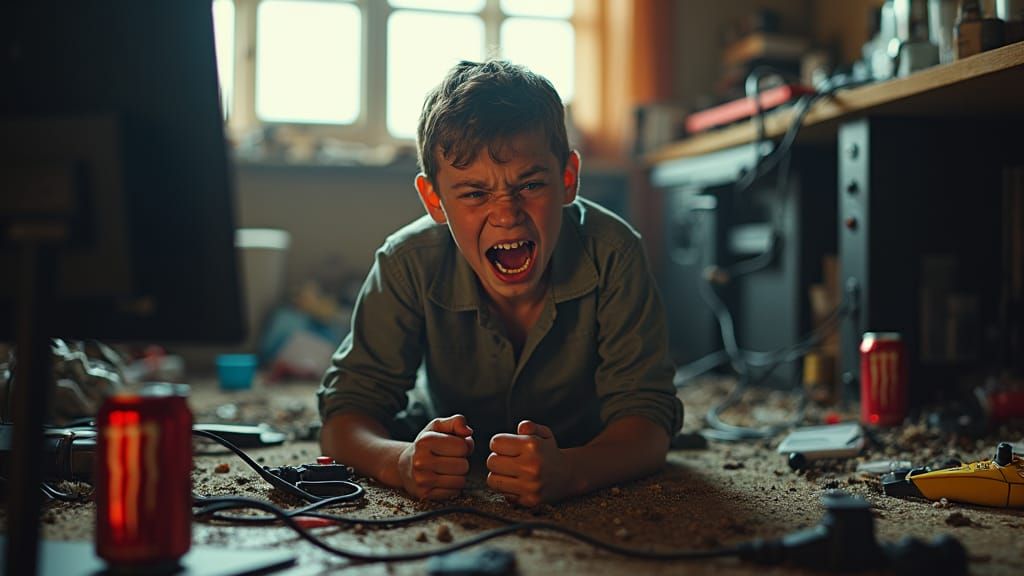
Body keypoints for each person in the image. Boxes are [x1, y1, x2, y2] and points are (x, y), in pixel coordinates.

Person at [318, 60, 682, 507]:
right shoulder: (406, 262)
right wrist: (401, 461)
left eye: (529, 185)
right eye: (474, 194)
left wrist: (572, 471)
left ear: (568, 179)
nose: (506, 214)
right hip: (436, 434)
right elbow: (344, 418)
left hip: (584, 441)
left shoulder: (614, 253)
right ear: (434, 199)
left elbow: (647, 426)